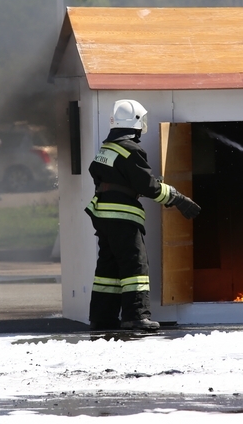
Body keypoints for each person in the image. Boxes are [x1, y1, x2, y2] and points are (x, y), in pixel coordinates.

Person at [85, 99, 201, 332]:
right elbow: (149, 187)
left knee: (108, 268)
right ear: (136, 122)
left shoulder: (107, 148)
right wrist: (178, 198)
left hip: (103, 214)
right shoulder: (131, 149)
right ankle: (136, 316)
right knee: (135, 265)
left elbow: (97, 173)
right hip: (121, 216)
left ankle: (102, 317)